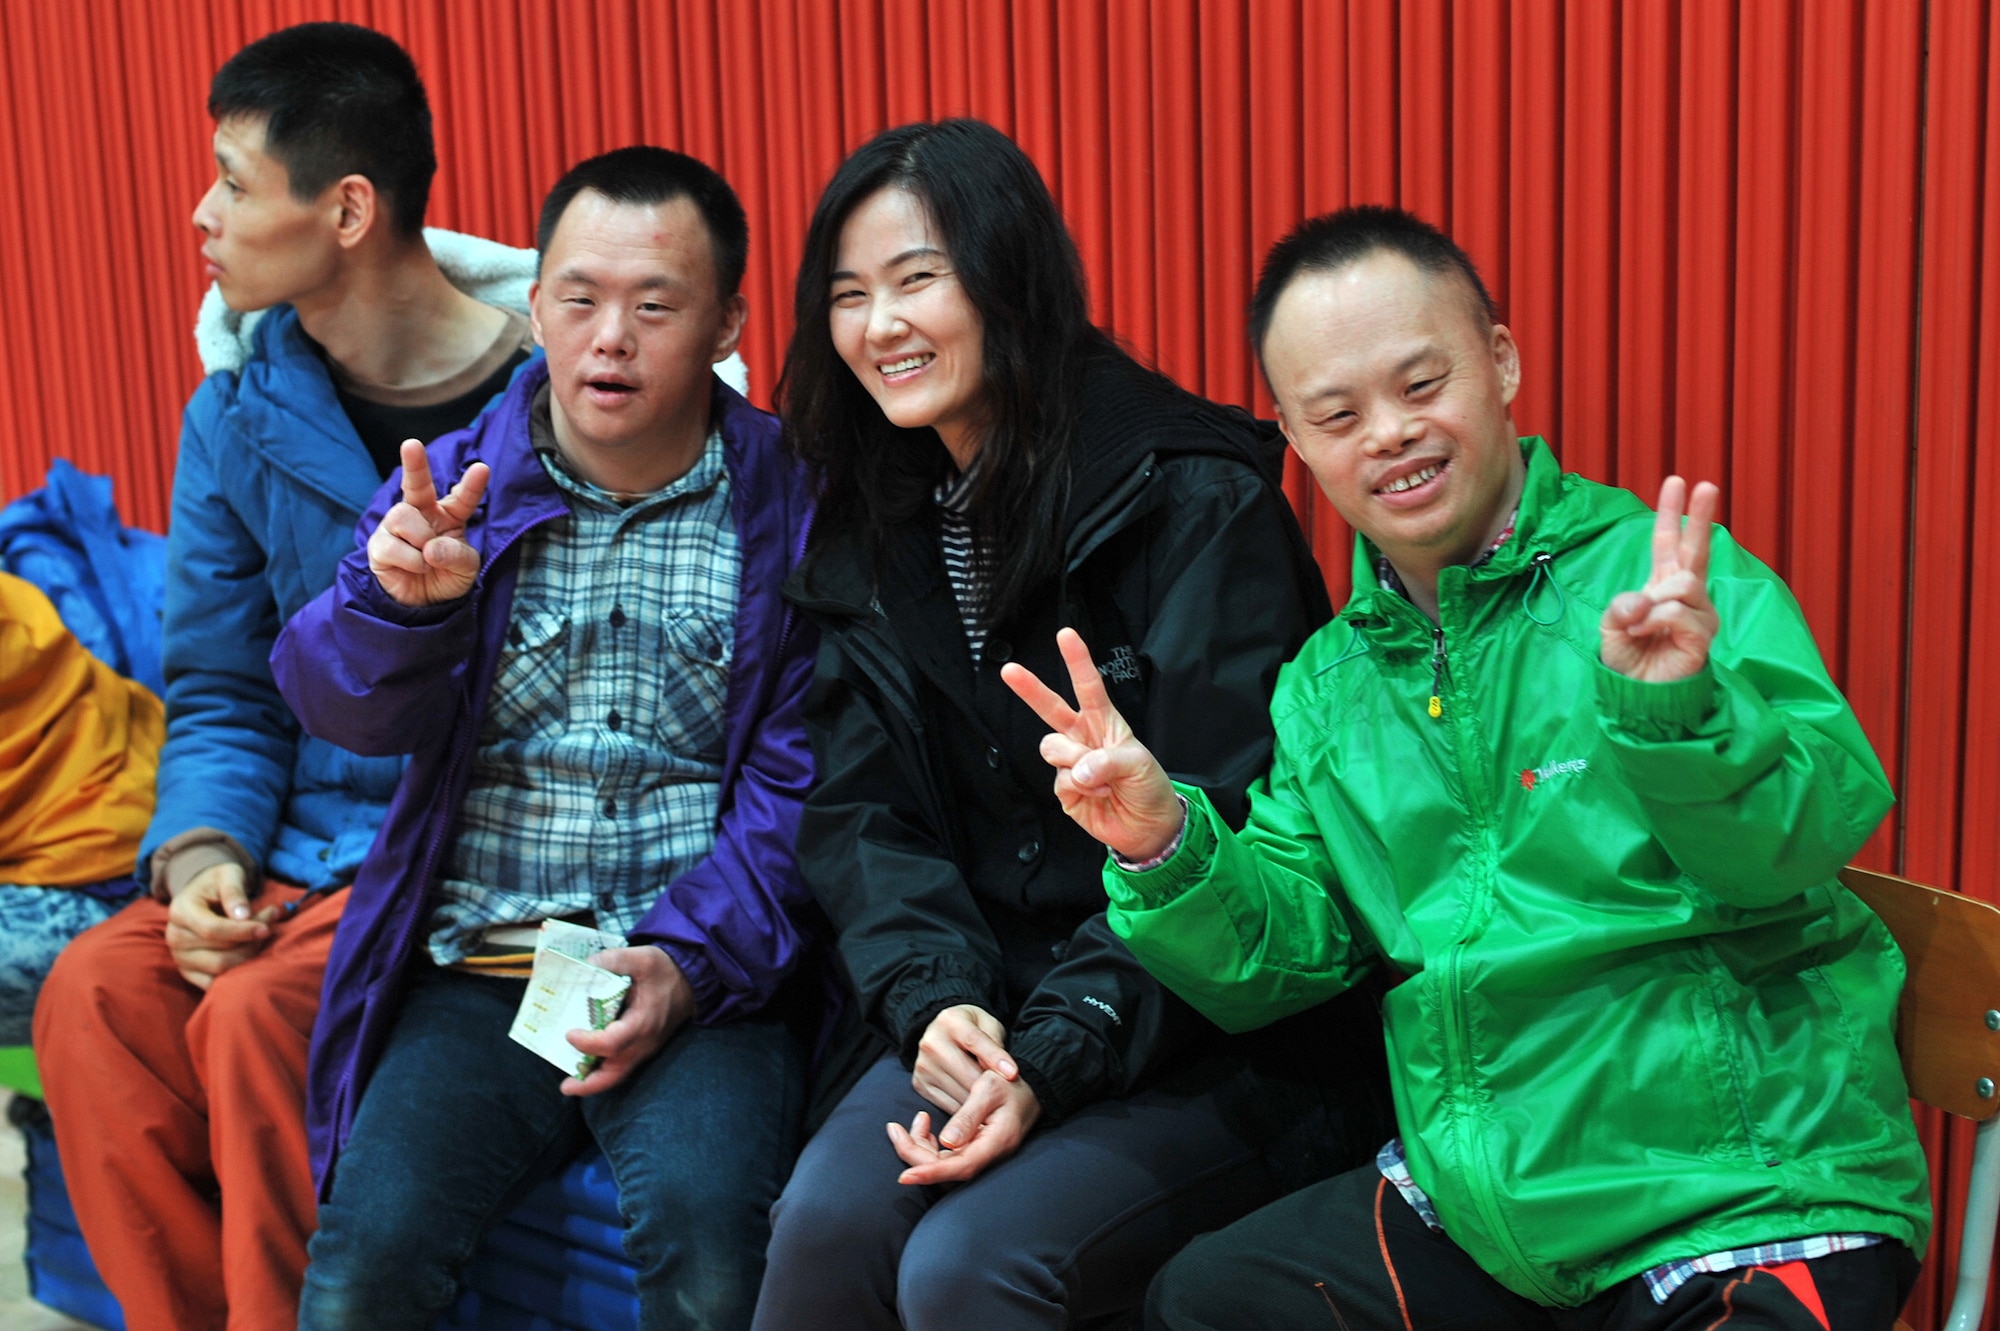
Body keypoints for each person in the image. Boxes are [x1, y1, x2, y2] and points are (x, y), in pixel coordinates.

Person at [1006, 205, 1932, 1331]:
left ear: (1498, 362)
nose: (1387, 434)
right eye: (1337, 414)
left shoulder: (1663, 587)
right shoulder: (1327, 685)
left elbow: (1799, 839)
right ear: (1296, 444)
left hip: (1738, 1194)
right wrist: (1162, 843)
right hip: (1490, 1213)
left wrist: (1672, 713)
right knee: (1204, 1303)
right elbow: (1281, 957)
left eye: (1419, 383)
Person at [752, 118, 1388, 1331]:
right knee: (825, 1226)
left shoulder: (1189, 496)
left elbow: (1246, 830)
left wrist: (1057, 1048)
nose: (879, 326)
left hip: (1202, 1020)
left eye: (917, 280)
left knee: (969, 1266)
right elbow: (858, 813)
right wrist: (934, 997)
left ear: (1011, 275)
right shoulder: (876, 519)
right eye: (846, 295)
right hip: (980, 999)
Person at [32, 23, 539, 1331]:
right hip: (290, 849)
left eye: (233, 181)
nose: (202, 216)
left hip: (455, 854)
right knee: (92, 993)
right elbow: (219, 683)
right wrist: (203, 848)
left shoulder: (558, 407)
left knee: (258, 1016)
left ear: (349, 208)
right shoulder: (235, 414)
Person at [270, 144, 819, 1331]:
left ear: (726, 317)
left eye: (653, 304)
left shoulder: (790, 503)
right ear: (535, 307)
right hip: (482, 967)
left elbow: (804, 781)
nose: (608, 337)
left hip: (699, 974)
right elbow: (336, 704)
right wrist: (396, 611)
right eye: (578, 298)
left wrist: (686, 965)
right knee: (362, 1271)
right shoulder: (456, 485)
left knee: (718, 1260)